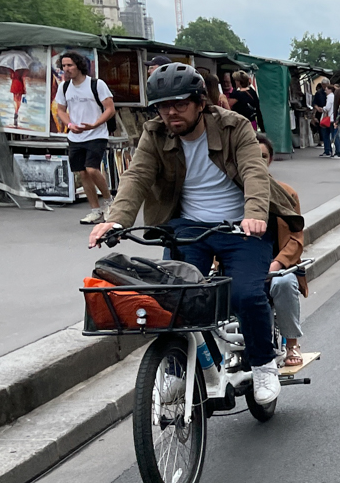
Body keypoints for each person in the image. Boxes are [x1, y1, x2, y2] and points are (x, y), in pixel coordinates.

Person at [88, 63, 286, 404]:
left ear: (199, 102)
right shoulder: (156, 133)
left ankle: (263, 363)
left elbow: (254, 171)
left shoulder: (233, 125)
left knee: (244, 294)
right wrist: (116, 220)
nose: (171, 112)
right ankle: (185, 368)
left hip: (239, 224)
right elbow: (137, 176)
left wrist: (254, 214)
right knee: (176, 297)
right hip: (188, 225)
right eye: (163, 106)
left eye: (179, 104)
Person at [256, 133, 309, 368]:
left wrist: (275, 265)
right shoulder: (231, 194)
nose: (258, 161)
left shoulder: (287, 193)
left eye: (263, 156)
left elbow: (297, 239)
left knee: (284, 283)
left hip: (279, 265)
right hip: (244, 265)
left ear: (270, 159)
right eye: (253, 156)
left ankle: (292, 344)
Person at [52, 51, 117, 225]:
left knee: (92, 169)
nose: (66, 69)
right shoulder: (64, 87)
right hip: (76, 136)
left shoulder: (96, 84)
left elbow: (110, 108)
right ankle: (95, 210)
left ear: (79, 66)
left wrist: (95, 124)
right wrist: (70, 125)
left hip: (96, 134)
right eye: (64, 66)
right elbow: (60, 110)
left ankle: (109, 201)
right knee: (82, 172)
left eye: (70, 65)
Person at [312, 81, 332, 157]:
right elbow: (314, 103)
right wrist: (317, 108)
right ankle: (326, 148)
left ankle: (332, 149)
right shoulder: (319, 93)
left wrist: (324, 109)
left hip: (328, 114)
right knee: (323, 131)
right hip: (321, 114)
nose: (324, 87)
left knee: (330, 132)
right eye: (323, 85)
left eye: (326, 85)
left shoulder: (331, 94)